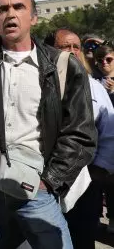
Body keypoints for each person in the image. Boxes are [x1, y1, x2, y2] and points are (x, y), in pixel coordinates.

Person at [0, 0, 97, 249]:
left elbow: (81, 133)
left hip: (34, 187)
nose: (10, 14)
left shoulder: (62, 66)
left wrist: (48, 181)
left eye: (19, 7)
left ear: (34, 17)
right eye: (2, 9)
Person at [46, 28, 114, 249]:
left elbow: (109, 133)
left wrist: (99, 171)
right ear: (49, 51)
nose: (73, 51)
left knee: (82, 238)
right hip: (44, 182)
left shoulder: (95, 88)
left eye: (77, 47)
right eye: (65, 46)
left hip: (85, 181)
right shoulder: (39, 85)